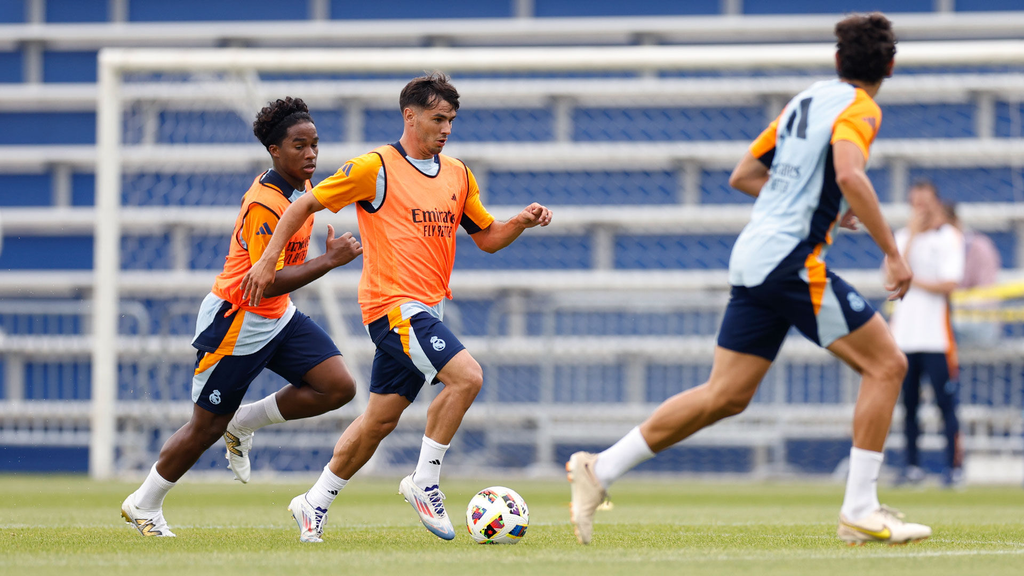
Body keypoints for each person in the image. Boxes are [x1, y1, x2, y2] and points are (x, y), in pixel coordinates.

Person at [566, 13, 932, 546]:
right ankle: (859, 510)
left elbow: (745, 175)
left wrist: (822, 206)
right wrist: (892, 253)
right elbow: (851, 173)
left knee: (727, 394)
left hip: (754, 257)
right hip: (788, 262)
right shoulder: (861, 108)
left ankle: (598, 469)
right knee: (887, 364)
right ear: (891, 66)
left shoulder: (806, 100)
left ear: (836, 60)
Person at [240, 72, 553, 543]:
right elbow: (303, 206)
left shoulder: (458, 174)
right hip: (391, 308)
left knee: (379, 420)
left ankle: (313, 502)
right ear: (410, 116)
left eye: (451, 120)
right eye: (437, 118)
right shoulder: (375, 167)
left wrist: (520, 223)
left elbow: (487, 238)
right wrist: (267, 260)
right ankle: (424, 481)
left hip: (427, 310)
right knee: (468, 376)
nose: (446, 128)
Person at [120, 97, 363, 537]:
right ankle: (143, 503)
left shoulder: (300, 190)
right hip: (236, 321)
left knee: (338, 387)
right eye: (298, 146)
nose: (310, 154)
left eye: (314, 145)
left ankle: (243, 421)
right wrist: (329, 262)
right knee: (203, 428)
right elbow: (263, 282)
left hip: (276, 317)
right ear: (274, 150)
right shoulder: (264, 203)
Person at [889, 182, 964, 487]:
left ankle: (954, 468)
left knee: (946, 405)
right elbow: (892, 275)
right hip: (905, 336)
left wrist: (911, 280)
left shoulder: (948, 238)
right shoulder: (903, 237)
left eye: (924, 203)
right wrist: (909, 241)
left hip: (936, 336)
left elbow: (949, 282)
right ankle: (911, 467)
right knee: (908, 406)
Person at [945, 201, 1002, 348]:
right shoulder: (928, 249)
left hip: (976, 322)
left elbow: (986, 295)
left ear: (955, 222)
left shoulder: (980, 247)